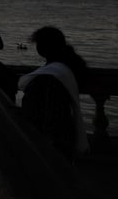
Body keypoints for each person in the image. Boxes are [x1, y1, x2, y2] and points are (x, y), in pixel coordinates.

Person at [19, 26, 89, 159]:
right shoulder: (64, 68)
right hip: (64, 130)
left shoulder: (49, 76)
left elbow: (41, 109)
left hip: (50, 135)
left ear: (44, 47)